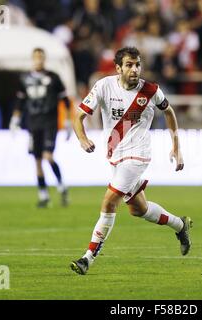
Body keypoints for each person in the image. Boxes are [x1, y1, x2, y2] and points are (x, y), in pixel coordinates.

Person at [70, 46, 192, 275]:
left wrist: (176, 146)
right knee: (139, 209)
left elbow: (169, 112)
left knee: (108, 202)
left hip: (138, 156)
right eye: (129, 65)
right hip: (115, 155)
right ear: (118, 68)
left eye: (137, 64)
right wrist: (82, 139)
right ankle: (180, 224)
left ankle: (88, 258)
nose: (134, 69)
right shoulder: (104, 86)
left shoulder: (150, 90)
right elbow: (78, 116)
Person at [10, 48, 72, 208]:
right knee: (37, 160)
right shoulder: (24, 78)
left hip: (49, 121)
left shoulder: (53, 78)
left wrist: (68, 120)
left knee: (48, 156)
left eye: (41, 57)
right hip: (33, 122)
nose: (39, 60)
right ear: (32, 59)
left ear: (44, 59)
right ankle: (43, 195)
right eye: (36, 57)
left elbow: (65, 99)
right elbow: (20, 100)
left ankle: (61, 185)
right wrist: (15, 119)